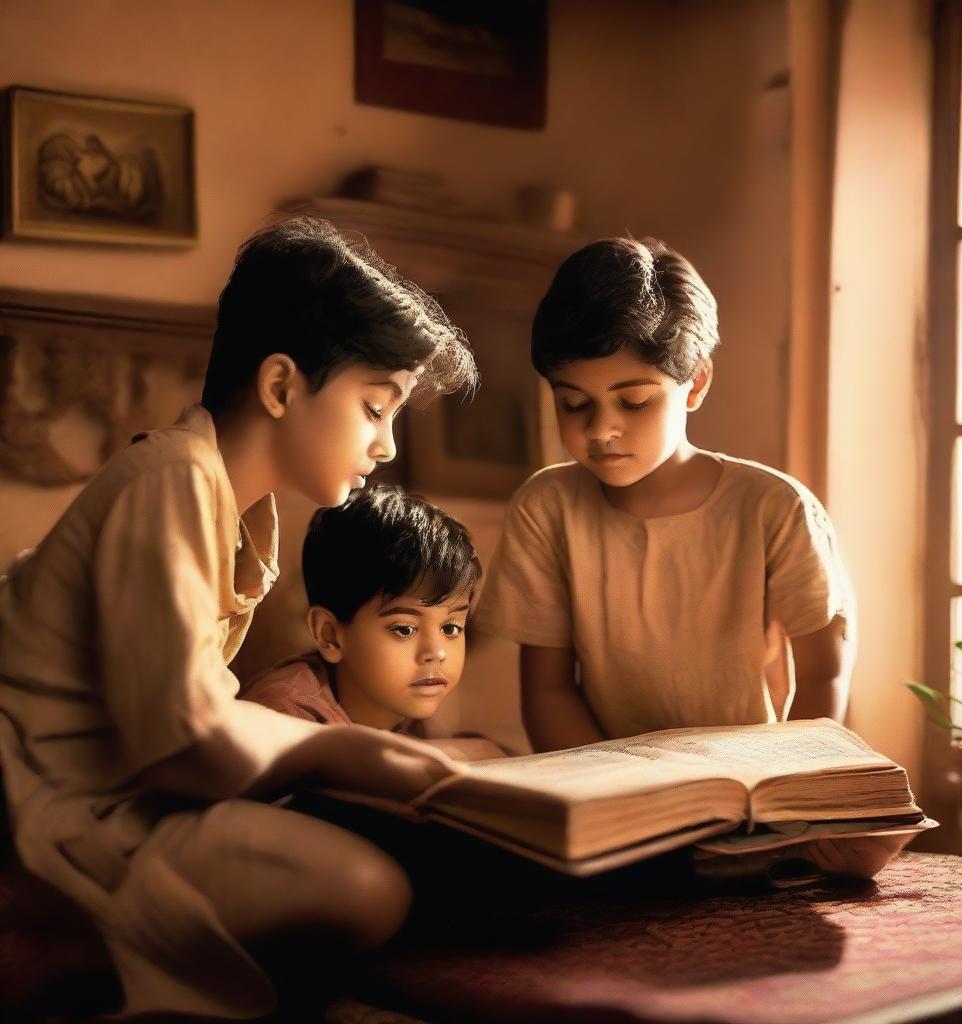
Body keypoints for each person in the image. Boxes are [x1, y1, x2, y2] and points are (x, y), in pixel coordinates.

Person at [0, 216, 477, 1018]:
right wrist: (353, 755)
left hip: (124, 799)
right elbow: (187, 740)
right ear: (283, 386)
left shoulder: (236, 510)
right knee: (367, 888)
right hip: (57, 812)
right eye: (374, 407)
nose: (388, 444)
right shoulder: (171, 478)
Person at [473, 236, 855, 753]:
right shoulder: (547, 508)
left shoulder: (773, 508)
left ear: (695, 383)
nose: (601, 429)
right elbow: (548, 691)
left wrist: (784, 791)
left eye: (633, 402)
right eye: (573, 403)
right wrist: (617, 791)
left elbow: (823, 675)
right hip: (609, 788)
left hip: (753, 782)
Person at [242, 484, 504, 762]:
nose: (436, 652)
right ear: (329, 634)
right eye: (404, 629)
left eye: (450, 628)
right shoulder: (284, 711)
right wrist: (446, 754)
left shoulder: (406, 711)